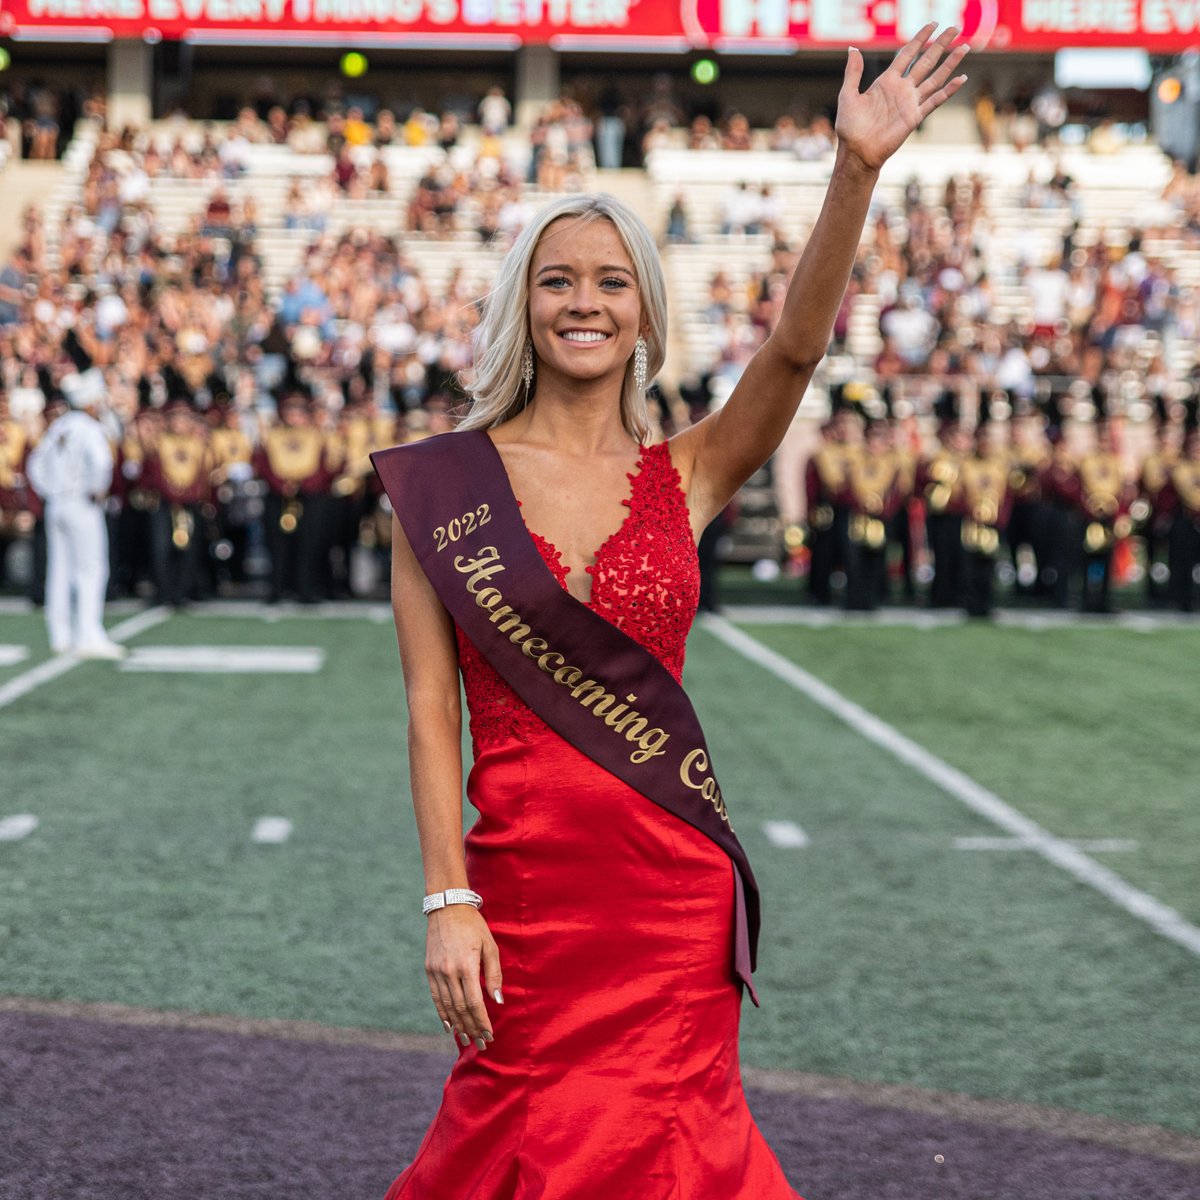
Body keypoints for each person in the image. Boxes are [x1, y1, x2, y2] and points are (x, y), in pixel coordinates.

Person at [377, 26, 967, 1199]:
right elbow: (429, 716)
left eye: (610, 283)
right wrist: (449, 900)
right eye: (558, 281)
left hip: (671, 891)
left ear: (645, 311)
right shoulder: (440, 489)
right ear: (522, 305)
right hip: (527, 894)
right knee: (512, 1132)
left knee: (674, 1144)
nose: (583, 304)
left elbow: (795, 354)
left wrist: (855, 172)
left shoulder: (688, 473)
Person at [25, 380, 125, 658]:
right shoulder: (90, 428)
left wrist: (50, 491)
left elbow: (36, 464)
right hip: (81, 504)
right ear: (91, 401)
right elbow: (102, 465)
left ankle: (60, 635)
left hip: (57, 504)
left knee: (59, 570)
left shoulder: (59, 425)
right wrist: (95, 490)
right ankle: (89, 634)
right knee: (91, 568)